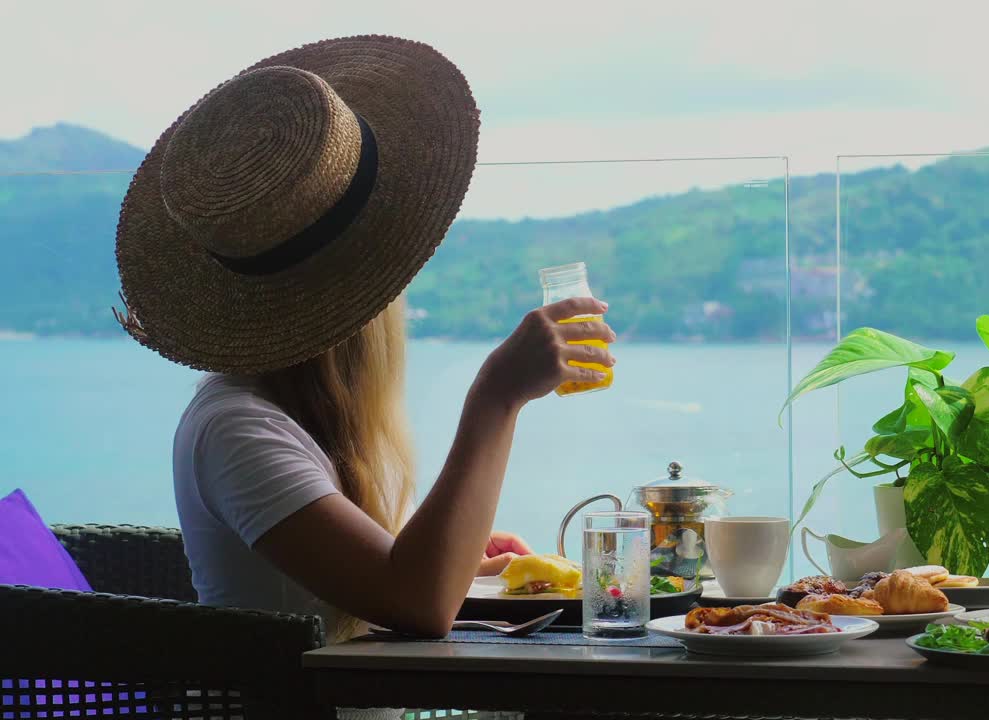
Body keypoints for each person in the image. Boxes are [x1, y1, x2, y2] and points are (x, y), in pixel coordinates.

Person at [112, 35, 616, 643]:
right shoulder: (236, 430)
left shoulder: (292, 414)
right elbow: (417, 605)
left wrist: (460, 562)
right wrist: (497, 398)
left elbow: (378, 584)